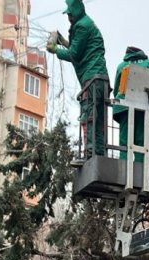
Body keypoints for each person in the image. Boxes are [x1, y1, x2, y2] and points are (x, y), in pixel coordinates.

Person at [47, 0, 109, 159]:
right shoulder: (87, 23)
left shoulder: (81, 26)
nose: (68, 16)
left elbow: (74, 55)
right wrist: (63, 42)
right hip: (101, 79)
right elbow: (80, 49)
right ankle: (99, 153)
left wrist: (56, 50)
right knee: (99, 119)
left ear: (75, 11)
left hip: (91, 78)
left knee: (88, 116)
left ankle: (89, 153)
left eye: (69, 13)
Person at [112, 46, 149, 162]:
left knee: (124, 139)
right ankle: (140, 164)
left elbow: (117, 90)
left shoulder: (122, 66)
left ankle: (124, 163)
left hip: (124, 106)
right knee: (141, 141)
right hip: (145, 104)